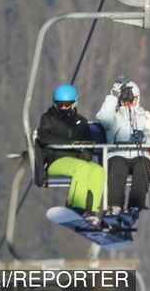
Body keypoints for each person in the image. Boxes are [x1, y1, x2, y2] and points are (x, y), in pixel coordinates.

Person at [36, 83, 105, 225]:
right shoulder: (48, 118)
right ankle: (75, 207)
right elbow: (44, 137)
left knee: (98, 170)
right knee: (82, 168)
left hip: (76, 160)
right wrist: (70, 143)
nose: (63, 108)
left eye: (67, 104)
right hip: (54, 160)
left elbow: (88, 142)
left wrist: (86, 152)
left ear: (74, 103)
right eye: (60, 104)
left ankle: (90, 211)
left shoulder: (81, 121)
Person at [95, 77, 150, 227]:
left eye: (132, 100)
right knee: (117, 169)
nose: (129, 103)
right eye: (125, 100)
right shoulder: (114, 116)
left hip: (140, 154)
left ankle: (133, 208)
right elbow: (103, 117)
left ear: (138, 99)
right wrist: (114, 93)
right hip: (117, 153)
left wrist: (144, 138)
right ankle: (114, 207)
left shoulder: (147, 116)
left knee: (142, 169)